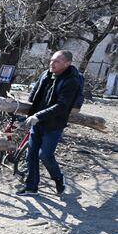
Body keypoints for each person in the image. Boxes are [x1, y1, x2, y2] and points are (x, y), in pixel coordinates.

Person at [16, 50, 82, 196]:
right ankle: (31, 187)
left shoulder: (72, 81)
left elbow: (62, 106)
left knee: (45, 155)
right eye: (51, 60)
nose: (52, 63)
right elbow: (34, 93)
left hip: (54, 125)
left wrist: (38, 116)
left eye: (56, 61)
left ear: (67, 63)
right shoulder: (46, 74)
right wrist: (26, 112)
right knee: (31, 154)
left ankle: (58, 178)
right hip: (37, 121)